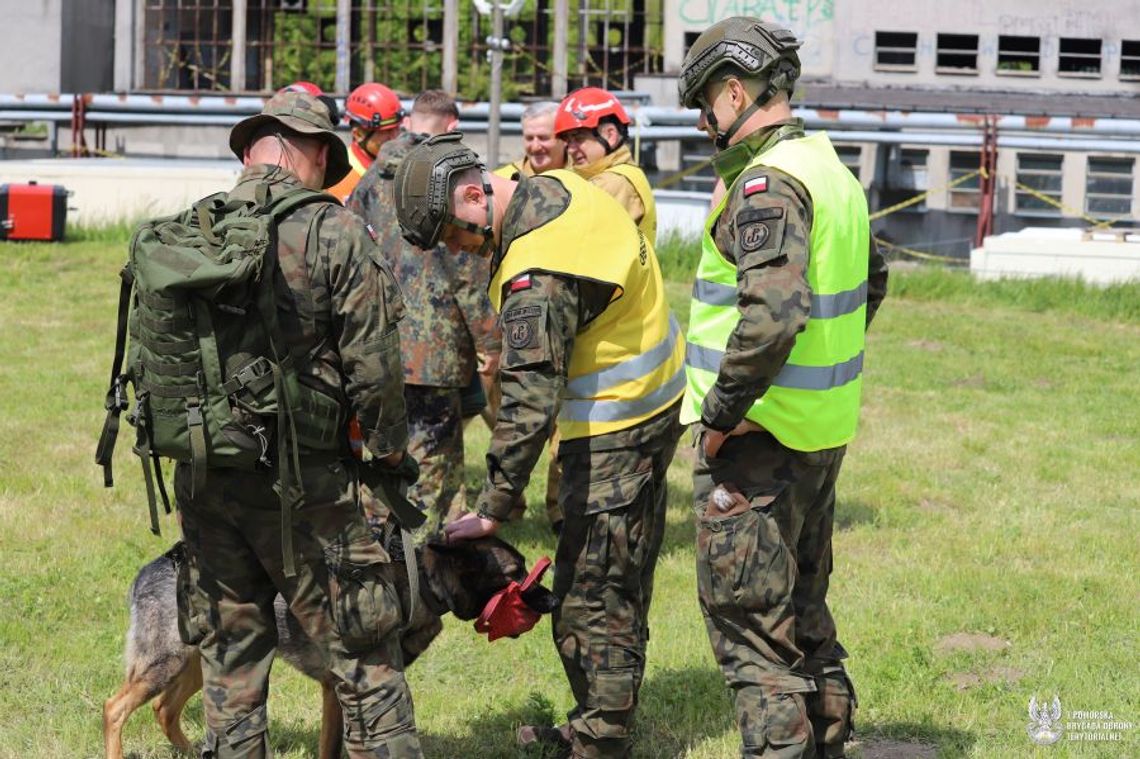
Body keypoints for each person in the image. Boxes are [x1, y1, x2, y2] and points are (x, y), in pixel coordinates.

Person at [392, 132, 685, 758]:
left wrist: (494, 505)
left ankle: (598, 740)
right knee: (622, 573)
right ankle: (612, 712)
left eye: (452, 234)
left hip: (614, 427)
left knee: (590, 594)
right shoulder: (552, 187)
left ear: (475, 195)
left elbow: (528, 401)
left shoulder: (538, 274)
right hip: (654, 403)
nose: (458, 249)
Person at [177, 91, 422, 758]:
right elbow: (374, 370)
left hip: (204, 477)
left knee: (230, 655)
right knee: (365, 652)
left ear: (251, 151)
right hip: (305, 486)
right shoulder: (335, 230)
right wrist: (393, 458)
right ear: (314, 154)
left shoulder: (191, 227)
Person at [677, 17, 889, 758]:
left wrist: (720, 416)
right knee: (805, 620)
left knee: (756, 646)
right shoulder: (830, 168)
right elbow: (874, 280)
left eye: (706, 105)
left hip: (756, 446)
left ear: (736, 92)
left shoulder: (769, 183)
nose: (706, 122)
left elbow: (772, 316)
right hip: (817, 435)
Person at [347, 91, 498, 536]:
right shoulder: (447, 179)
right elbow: (468, 266)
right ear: (451, 126)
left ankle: (377, 533)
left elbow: (351, 249)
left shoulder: (373, 177)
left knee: (387, 446)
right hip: (437, 351)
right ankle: (425, 550)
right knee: (436, 458)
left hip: (378, 344)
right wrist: (491, 342)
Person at [554, 87, 656, 245]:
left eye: (579, 138)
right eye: (568, 140)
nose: (571, 149)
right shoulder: (605, 174)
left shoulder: (613, 183)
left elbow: (566, 237)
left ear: (610, 135)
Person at [326, 82, 405, 202]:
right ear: (358, 134)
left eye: (397, 128)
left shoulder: (401, 166)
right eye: (387, 131)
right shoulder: (342, 179)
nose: (395, 137)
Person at [493, 100, 567, 179]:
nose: (535, 147)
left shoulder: (580, 176)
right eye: (529, 138)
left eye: (543, 138)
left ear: (565, 138)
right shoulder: (500, 180)